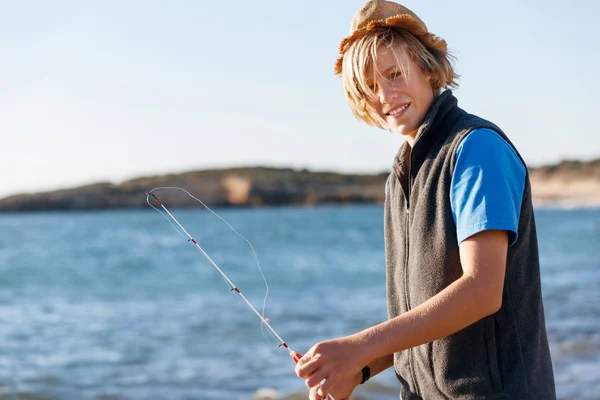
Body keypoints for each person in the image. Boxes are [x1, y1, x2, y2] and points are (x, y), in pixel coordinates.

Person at [294, 1, 556, 399]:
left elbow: (483, 290)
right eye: (370, 87)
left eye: (395, 74)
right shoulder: (400, 176)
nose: (385, 95)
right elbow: (419, 319)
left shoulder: (476, 149)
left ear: (428, 67)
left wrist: (361, 345)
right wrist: (361, 368)